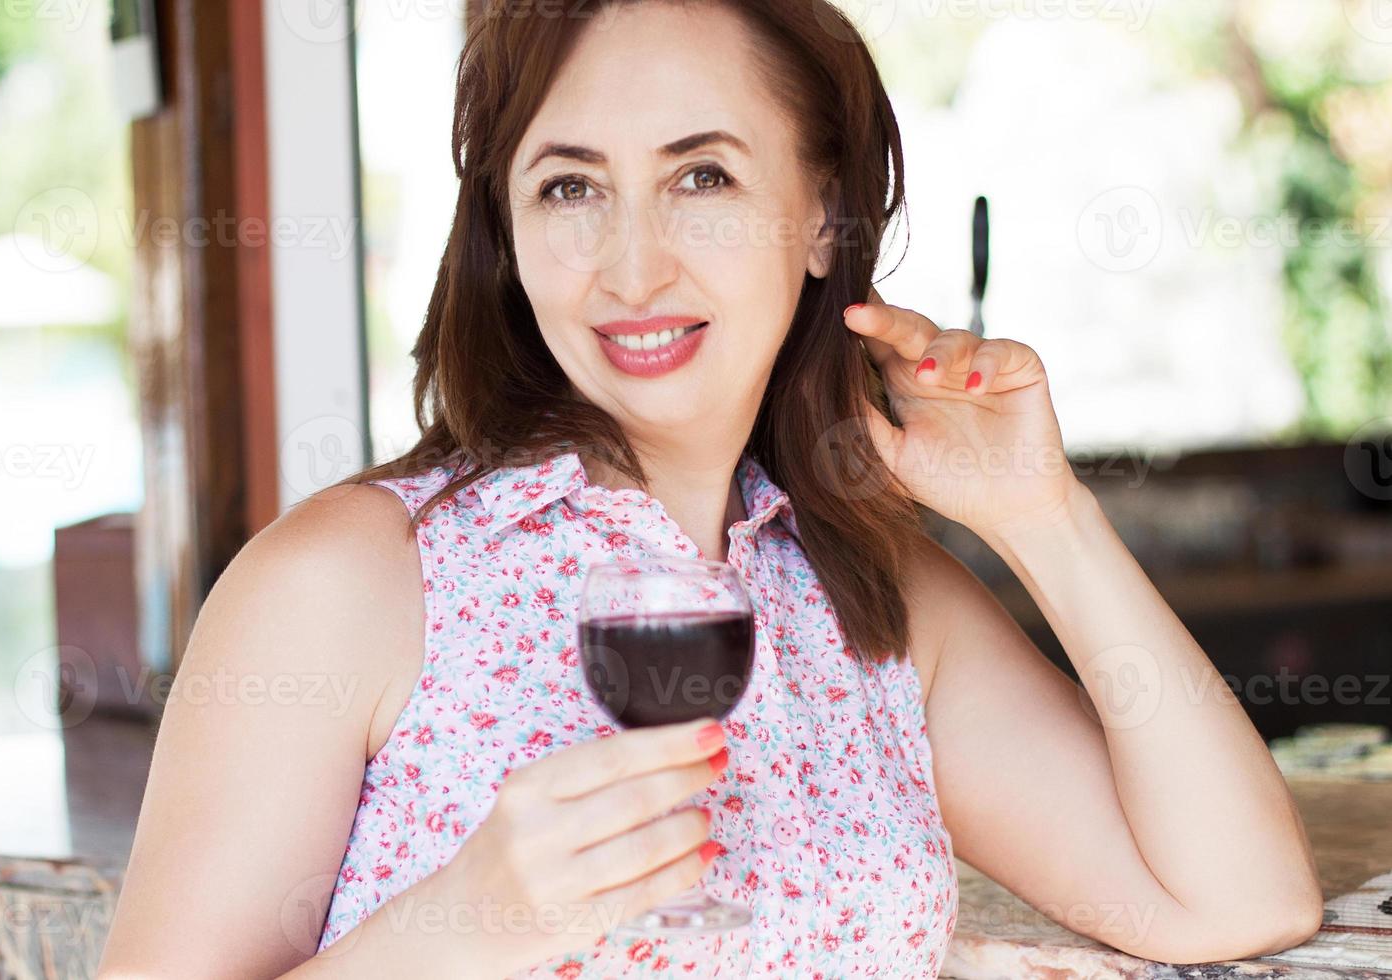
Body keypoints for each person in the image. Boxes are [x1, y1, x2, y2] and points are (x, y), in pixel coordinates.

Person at [97, 0, 1323, 976]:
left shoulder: (873, 597)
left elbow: (1233, 895)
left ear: (823, 217)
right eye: (569, 186)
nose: (633, 266)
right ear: (509, 233)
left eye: (705, 178)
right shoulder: (348, 582)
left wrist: (1045, 514)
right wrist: (459, 926)